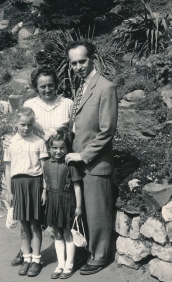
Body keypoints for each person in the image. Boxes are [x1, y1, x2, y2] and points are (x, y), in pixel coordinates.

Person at [5, 66, 73, 266]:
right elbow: (21, 129)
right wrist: (8, 142)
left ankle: (67, 254)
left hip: (59, 165)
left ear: (57, 84)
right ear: (36, 86)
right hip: (36, 164)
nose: (47, 89)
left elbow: (72, 134)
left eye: (51, 85)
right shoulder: (30, 103)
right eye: (42, 86)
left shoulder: (67, 104)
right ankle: (25, 251)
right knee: (28, 213)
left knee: (58, 208)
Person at [65, 40, 118, 275]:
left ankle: (100, 256)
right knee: (84, 211)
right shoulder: (80, 88)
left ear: (92, 59)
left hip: (96, 163)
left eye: (82, 61)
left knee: (98, 213)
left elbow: (107, 131)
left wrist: (83, 154)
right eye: (74, 63)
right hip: (79, 162)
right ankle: (89, 251)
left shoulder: (105, 87)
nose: (78, 66)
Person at [4, 107, 49, 277]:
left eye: (29, 125)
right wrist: (10, 192)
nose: (26, 128)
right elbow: (8, 170)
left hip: (35, 184)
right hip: (18, 186)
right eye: (22, 124)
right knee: (24, 224)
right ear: (15, 123)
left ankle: (36, 260)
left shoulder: (39, 142)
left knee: (35, 224)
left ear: (33, 124)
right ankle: (27, 258)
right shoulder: (10, 143)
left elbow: (44, 169)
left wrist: (45, 189)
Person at [43, 129, 82, 279]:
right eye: (55, 148)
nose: (58, 151)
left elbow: (77, 186)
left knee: (67, 233)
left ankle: (69, 266)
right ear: (49, 148)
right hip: (53, 202)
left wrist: (79, 207)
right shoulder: (46, 164)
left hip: (67, 203)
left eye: (62, 148)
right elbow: (45, 183)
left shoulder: (70, 165)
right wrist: (44, 193)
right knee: (57, 234)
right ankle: (60, 264)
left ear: (67, 149)